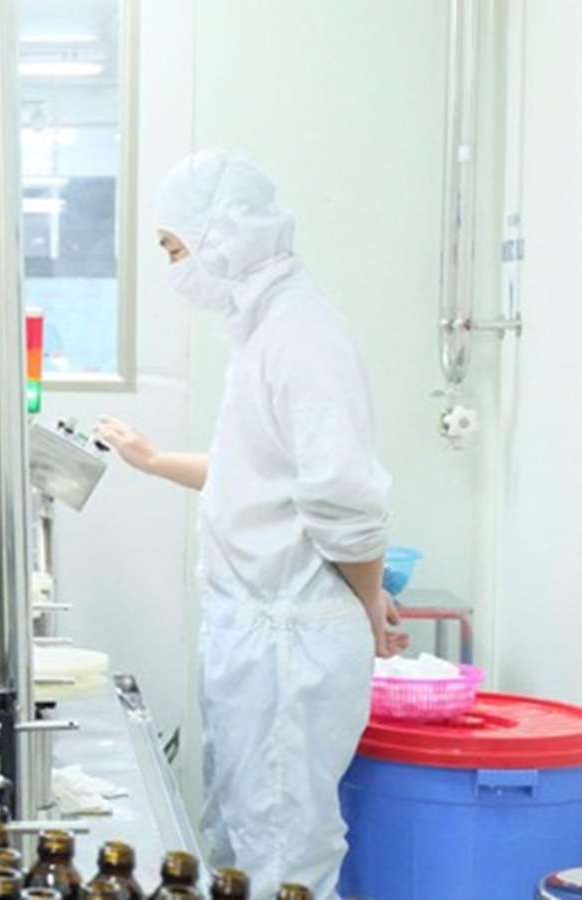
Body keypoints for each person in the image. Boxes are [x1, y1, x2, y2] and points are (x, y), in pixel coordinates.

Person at [93, 150, 407, 900]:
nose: (174, 268)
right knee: (242, 842)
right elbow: (254, 473)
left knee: (282, 859)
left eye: (174, 248)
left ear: (222, 237)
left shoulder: (302, 332)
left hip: (288, 643)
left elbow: (342, 497)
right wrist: (152, 459)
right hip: (259, 636)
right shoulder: (264, 329)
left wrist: (367, 599)